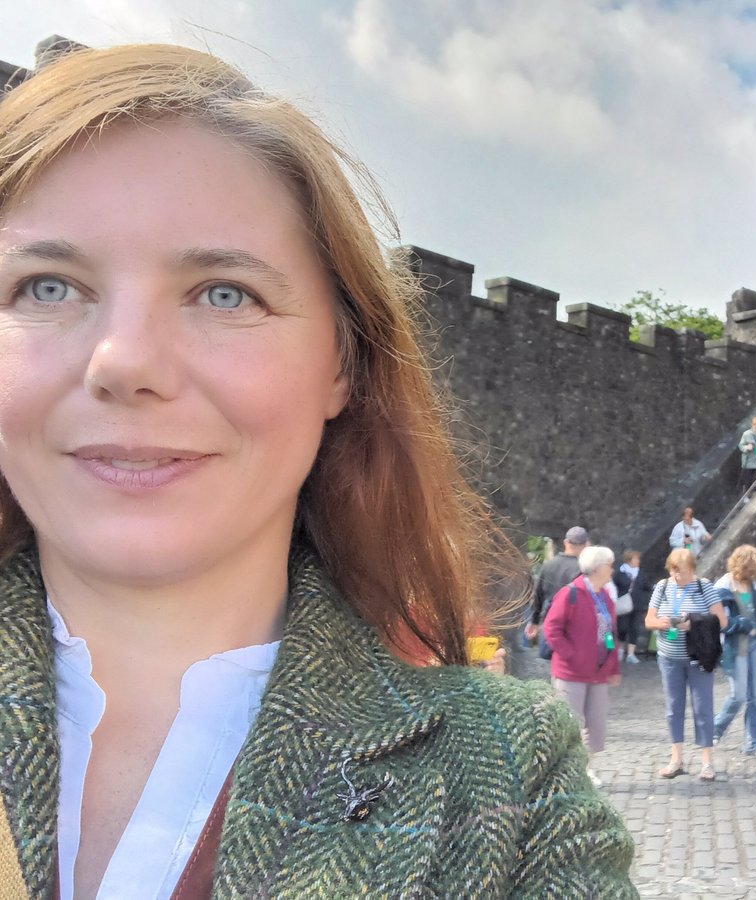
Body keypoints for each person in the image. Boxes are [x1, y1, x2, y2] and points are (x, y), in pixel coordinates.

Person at [0, 44, 634, 897]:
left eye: (225, 292)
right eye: (46, 287)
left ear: (342, 363)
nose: (124, 361)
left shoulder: (510, 783)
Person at [541, 547, 622, 788]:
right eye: (610, 564)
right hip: (571, 673)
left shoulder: (605, 596)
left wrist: (614, 666)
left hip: (598, 673)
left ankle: (587, 768)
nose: (613, 569)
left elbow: (611, 634)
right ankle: (565, 773)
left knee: (596, 725)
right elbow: (551, 628)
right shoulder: (571, 593)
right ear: (597, 568)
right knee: (570, 724)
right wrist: (571, 655)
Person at [645, 549, 727, 782]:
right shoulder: (662, 587)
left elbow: (721, 620)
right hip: (669, 658)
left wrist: (695, 624)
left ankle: (707, 762)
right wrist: (661, 623)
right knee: (673, 708)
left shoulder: (704, 587)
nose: (681, 576)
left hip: (699, 658)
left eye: (685, 571)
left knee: (703, 708)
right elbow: (648, 620)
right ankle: (676, 759)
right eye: (677, 572)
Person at [712, 545, 756, 757]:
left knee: (755, 696)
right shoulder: (723, 586)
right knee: (738, 695)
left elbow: (754, 610)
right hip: (735, 645)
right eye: (753, 567)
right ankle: (715, 727)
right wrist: (744, 623)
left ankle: (754, 743)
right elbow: (722, 622)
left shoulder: (753, 584)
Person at [525, 525, 588, 653]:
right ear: (585, 545)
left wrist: (534, 621)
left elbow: (538, 596)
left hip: (550, 623)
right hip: (573, 627)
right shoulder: (583, 569)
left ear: (566, 542)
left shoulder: (548, 565)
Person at [620, 550, 651, 660]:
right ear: (629, 560)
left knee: (635, 628)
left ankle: (631, 654)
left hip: (638, 606)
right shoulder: (621, 573)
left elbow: (647, 586)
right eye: (636, 559)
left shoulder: (640, 573)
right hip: (624, 606)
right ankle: (620, 650)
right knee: (622, 628)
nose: (638, 561)